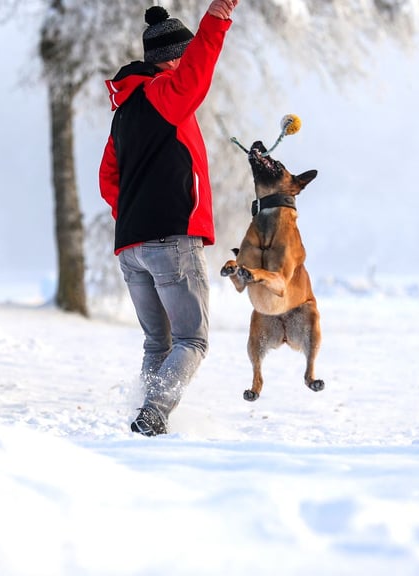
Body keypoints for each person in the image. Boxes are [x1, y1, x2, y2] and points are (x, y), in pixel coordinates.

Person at [99, 0, 240, 436]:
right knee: (192, 341)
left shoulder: (123, 116)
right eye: (183, 57)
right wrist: (217, 18)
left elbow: (108, 180)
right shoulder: (166, 94)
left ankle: (147, 420)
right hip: (170, 243)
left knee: (158, 343)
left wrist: (135, 219)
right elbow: (197, 71)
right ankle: (153, 414)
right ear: (173, 60)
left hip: (131, 247)